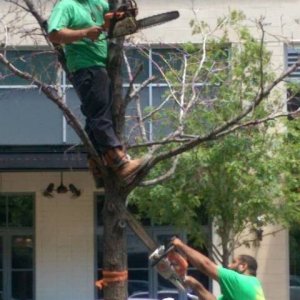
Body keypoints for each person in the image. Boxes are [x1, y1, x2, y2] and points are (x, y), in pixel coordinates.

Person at [47, 0, 147, 182]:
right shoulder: (67, 5)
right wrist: (84, 33)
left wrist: (114, 20)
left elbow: (103, 26)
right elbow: (54, 34)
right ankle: (120, 162)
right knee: (100, 115)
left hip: (100, 65)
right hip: (85, 66)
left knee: (95, 113)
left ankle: (97, 164)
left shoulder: (99, 2)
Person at [172, 238, 266, 300]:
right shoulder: (255, 285)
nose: (229, 265)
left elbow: (206, 265)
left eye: (233, 262)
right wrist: (194, 283)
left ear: (243, 266)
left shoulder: (239, 281)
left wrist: (180, 245)